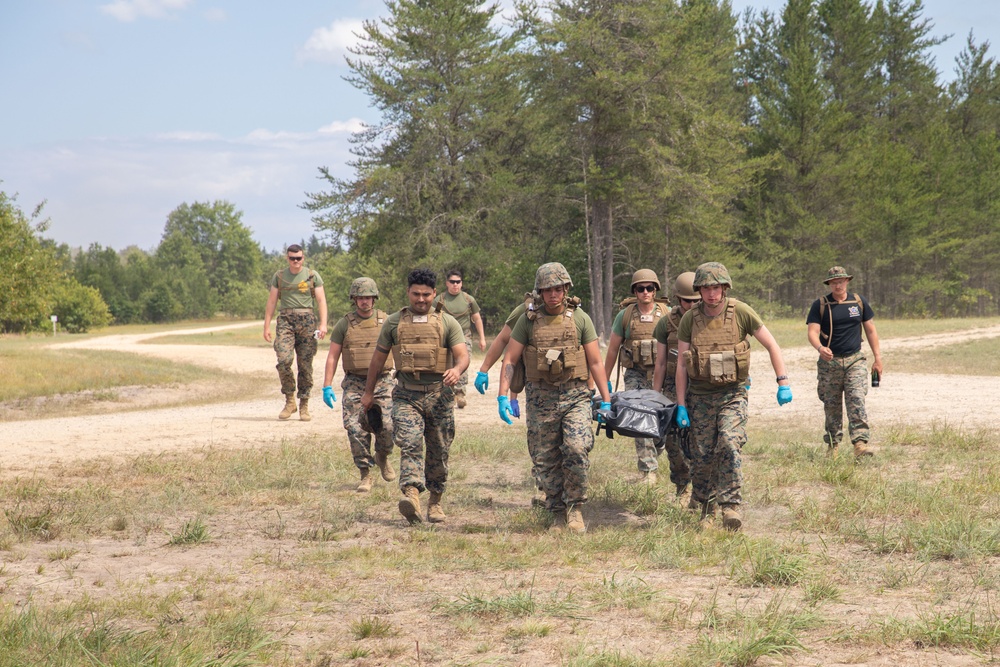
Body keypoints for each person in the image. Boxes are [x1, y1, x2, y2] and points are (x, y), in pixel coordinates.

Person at [674, 262, 792, 532]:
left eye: (716, 287)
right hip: (700, 398)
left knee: (728, 442)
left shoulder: (740, 312)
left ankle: (731, 507)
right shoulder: (690, 319)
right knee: (702, 456)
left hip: (732, 394)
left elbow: (772, 344)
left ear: (724, 287)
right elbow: (682, 365)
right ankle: (706, 509)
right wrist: (681, 405)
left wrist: (782, 381)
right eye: (706, 288)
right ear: (699, 290)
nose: (711, 293)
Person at [496, 262, 611, 534]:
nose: (553, 295)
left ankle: (575, 509)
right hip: (540, 399)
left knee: (576, 447)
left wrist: (606, 399)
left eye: (558, 289)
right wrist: (503, 395)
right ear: (539, 292)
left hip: (575, 395)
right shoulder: (528, 320)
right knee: (544, 457)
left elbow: (595, 362)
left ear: (566, 289)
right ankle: (557, 511)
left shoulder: (580, 319)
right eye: (547, 290)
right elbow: (510, 358)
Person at [361, 269, 469, 525]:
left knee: (439, 451)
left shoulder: (447, 322)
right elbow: (378, 358)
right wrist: (368, 392)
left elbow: (463, 355)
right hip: (406, 395)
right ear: (408, 292)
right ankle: (412, 495)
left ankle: (436, 500)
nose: (421, 300)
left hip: (439, 396)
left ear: (434, 293)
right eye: (416, 294)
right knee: (409, 443)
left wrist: (456, 369)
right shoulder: (395, 323)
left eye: (426, 295)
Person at [321, 277, 396, 492]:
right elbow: (333, 356)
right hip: (355, 382)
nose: (365, 302)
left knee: (389, 425)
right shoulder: (344, 324)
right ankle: (365, 473)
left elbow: (399, 349)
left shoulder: (387, 321)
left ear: (374, 298)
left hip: (382, 381)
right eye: (360, 298)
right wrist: (327, 385)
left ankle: (382, 455)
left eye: (368, 297)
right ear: (354, 299)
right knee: (355, 428)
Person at [806, 266, 883, 459]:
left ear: (847, 281)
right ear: (829, 284)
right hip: (829, 364)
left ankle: (860, 444)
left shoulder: (858, 302)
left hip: (854, 360)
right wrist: (820, 348)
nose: (837, 285)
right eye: (833, 282)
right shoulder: (821, 305)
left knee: (856, 399)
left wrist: (878, 359)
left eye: (840, 281)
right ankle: (833, 446)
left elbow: (871, 330)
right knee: (831, 405)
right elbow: (812, 332)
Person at [604, 269, 672, 487]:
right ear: (635, 291)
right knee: (640, 420)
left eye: (649, 288)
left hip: (663, 373)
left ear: (655, 290)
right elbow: (613, 350)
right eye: (640, 288)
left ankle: (656, 449)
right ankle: (648, 471)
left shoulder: (668, 313)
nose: (645, 292)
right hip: (635, 374)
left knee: (663, 423)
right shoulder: (624, 316)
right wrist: (604, 381)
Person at [263, 244, 328, 421]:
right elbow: (272, 301)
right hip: (286, 321)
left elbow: (321, 301)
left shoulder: (312, 275)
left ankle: (304, 405)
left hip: (307, 321)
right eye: (292, 258)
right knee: (284, 360)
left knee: (305, 365)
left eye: (298, 258)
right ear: (287, 258)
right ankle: (290, 400)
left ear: (303, 257)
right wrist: (266, 326)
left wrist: (323, 324)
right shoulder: (280, 276)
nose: (296, 261)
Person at [650, 272, 699, 498]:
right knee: (672, 443)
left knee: (700, 443)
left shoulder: (708, 319)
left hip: (701, 388)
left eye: (696, 300)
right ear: (678, 299)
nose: (692, 305)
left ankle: (701, 493)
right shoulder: (665, 323)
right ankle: (682, 486)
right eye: (687, 300)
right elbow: (660, 363)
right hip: (671, 387)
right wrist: (654, 398)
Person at [432, 270, 486, 408]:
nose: (455, 285)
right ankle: (446, 393)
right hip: (444, 336)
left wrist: (482, 338)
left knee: (462, 363)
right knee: (444, 364)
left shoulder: (468, 300)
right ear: (447, 283)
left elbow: (477, 318)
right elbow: (431, 319)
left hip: (463, 336)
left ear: (461, 283)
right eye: (452, 282)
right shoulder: (440, 300)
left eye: (458, 282)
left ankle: (460, 393)